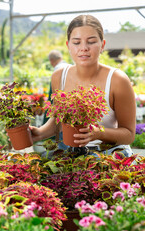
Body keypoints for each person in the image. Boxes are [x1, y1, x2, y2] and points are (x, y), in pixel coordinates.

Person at [31, 15, 136, 157]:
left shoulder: (118, 80)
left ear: (102, 45)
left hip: (109, 155)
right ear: (68, 46)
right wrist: (39, 133)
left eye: (91, 42)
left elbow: (129, 135)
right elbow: (58, 121)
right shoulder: (59, 76)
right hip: (71, 153)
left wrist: (98, 133)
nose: (84, 48)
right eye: (76, 42)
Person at [43, 50, 71, 125]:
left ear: (51, 61)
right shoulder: (70, 66)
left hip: (61, 108)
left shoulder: (57, 70)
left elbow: (53, 95)